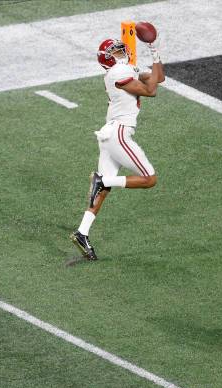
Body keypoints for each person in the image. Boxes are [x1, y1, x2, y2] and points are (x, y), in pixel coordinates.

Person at [70, 36, 165, 260]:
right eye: (117, 53)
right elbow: (151, 90)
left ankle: (82, 232)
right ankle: (102, 180)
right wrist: (146, 59)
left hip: (109, 134)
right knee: (149, 179)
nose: (123, 54)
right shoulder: (116, 73)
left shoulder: (125, 69)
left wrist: (154, 49)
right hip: (119, 133)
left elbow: (158, 78)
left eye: (122, 50)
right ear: (107, 60)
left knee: (103, 192)